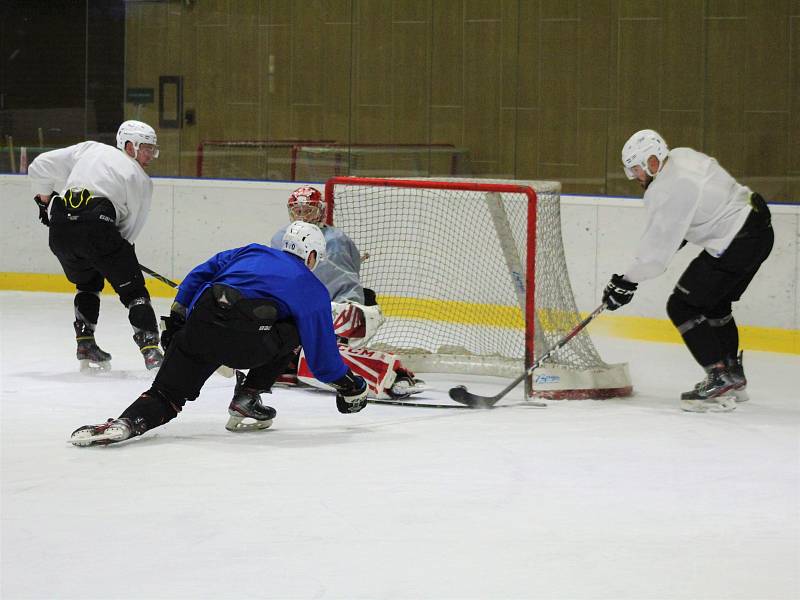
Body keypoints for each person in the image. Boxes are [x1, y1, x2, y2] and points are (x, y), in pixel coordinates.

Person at [69, 221, 369, 447]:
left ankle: (127, 422)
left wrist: (176, 319)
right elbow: (322, 360)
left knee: (166, 395)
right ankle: (248, 396)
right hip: (249, 346)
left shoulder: (250, 251)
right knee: (297, 331)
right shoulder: (312, 288)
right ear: (312, 254)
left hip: (201, 327)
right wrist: (351, 386)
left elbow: (199, 274)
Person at [602, 129, 774, 413]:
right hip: (759, 232)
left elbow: (655, 254)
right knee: (716, 303)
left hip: (736, 241)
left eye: (637, 169)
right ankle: (733, 374)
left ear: (652, 161)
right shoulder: (682, 156)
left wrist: (626, 282)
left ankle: (718, 377)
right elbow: (693, 214)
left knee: (682, 306)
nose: (636, 177)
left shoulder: (666, 188)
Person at [28, 120, 164, 372]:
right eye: (145, 147)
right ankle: (152, 351)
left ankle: (85, 344)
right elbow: (128, 232)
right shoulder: (141, 180)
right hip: (99, 228)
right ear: (128, 145)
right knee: (134, 293)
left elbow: (40, 166)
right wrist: (114, 255)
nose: (149, 155)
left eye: (152, 149)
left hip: (60, 230)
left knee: (88, 283)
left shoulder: (90, 149)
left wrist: (43, 197)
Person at [269, 185, 424, 399]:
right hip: (300, 313)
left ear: (320, 210)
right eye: (298, 210)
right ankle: (286, 365)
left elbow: (346, 282)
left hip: (334, 311)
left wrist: (339, 312)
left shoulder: (335, 240)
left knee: (322, 354)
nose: (303, 216)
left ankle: (392, 376)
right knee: (307, 353)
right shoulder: (280, 238)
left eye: (308, 210)